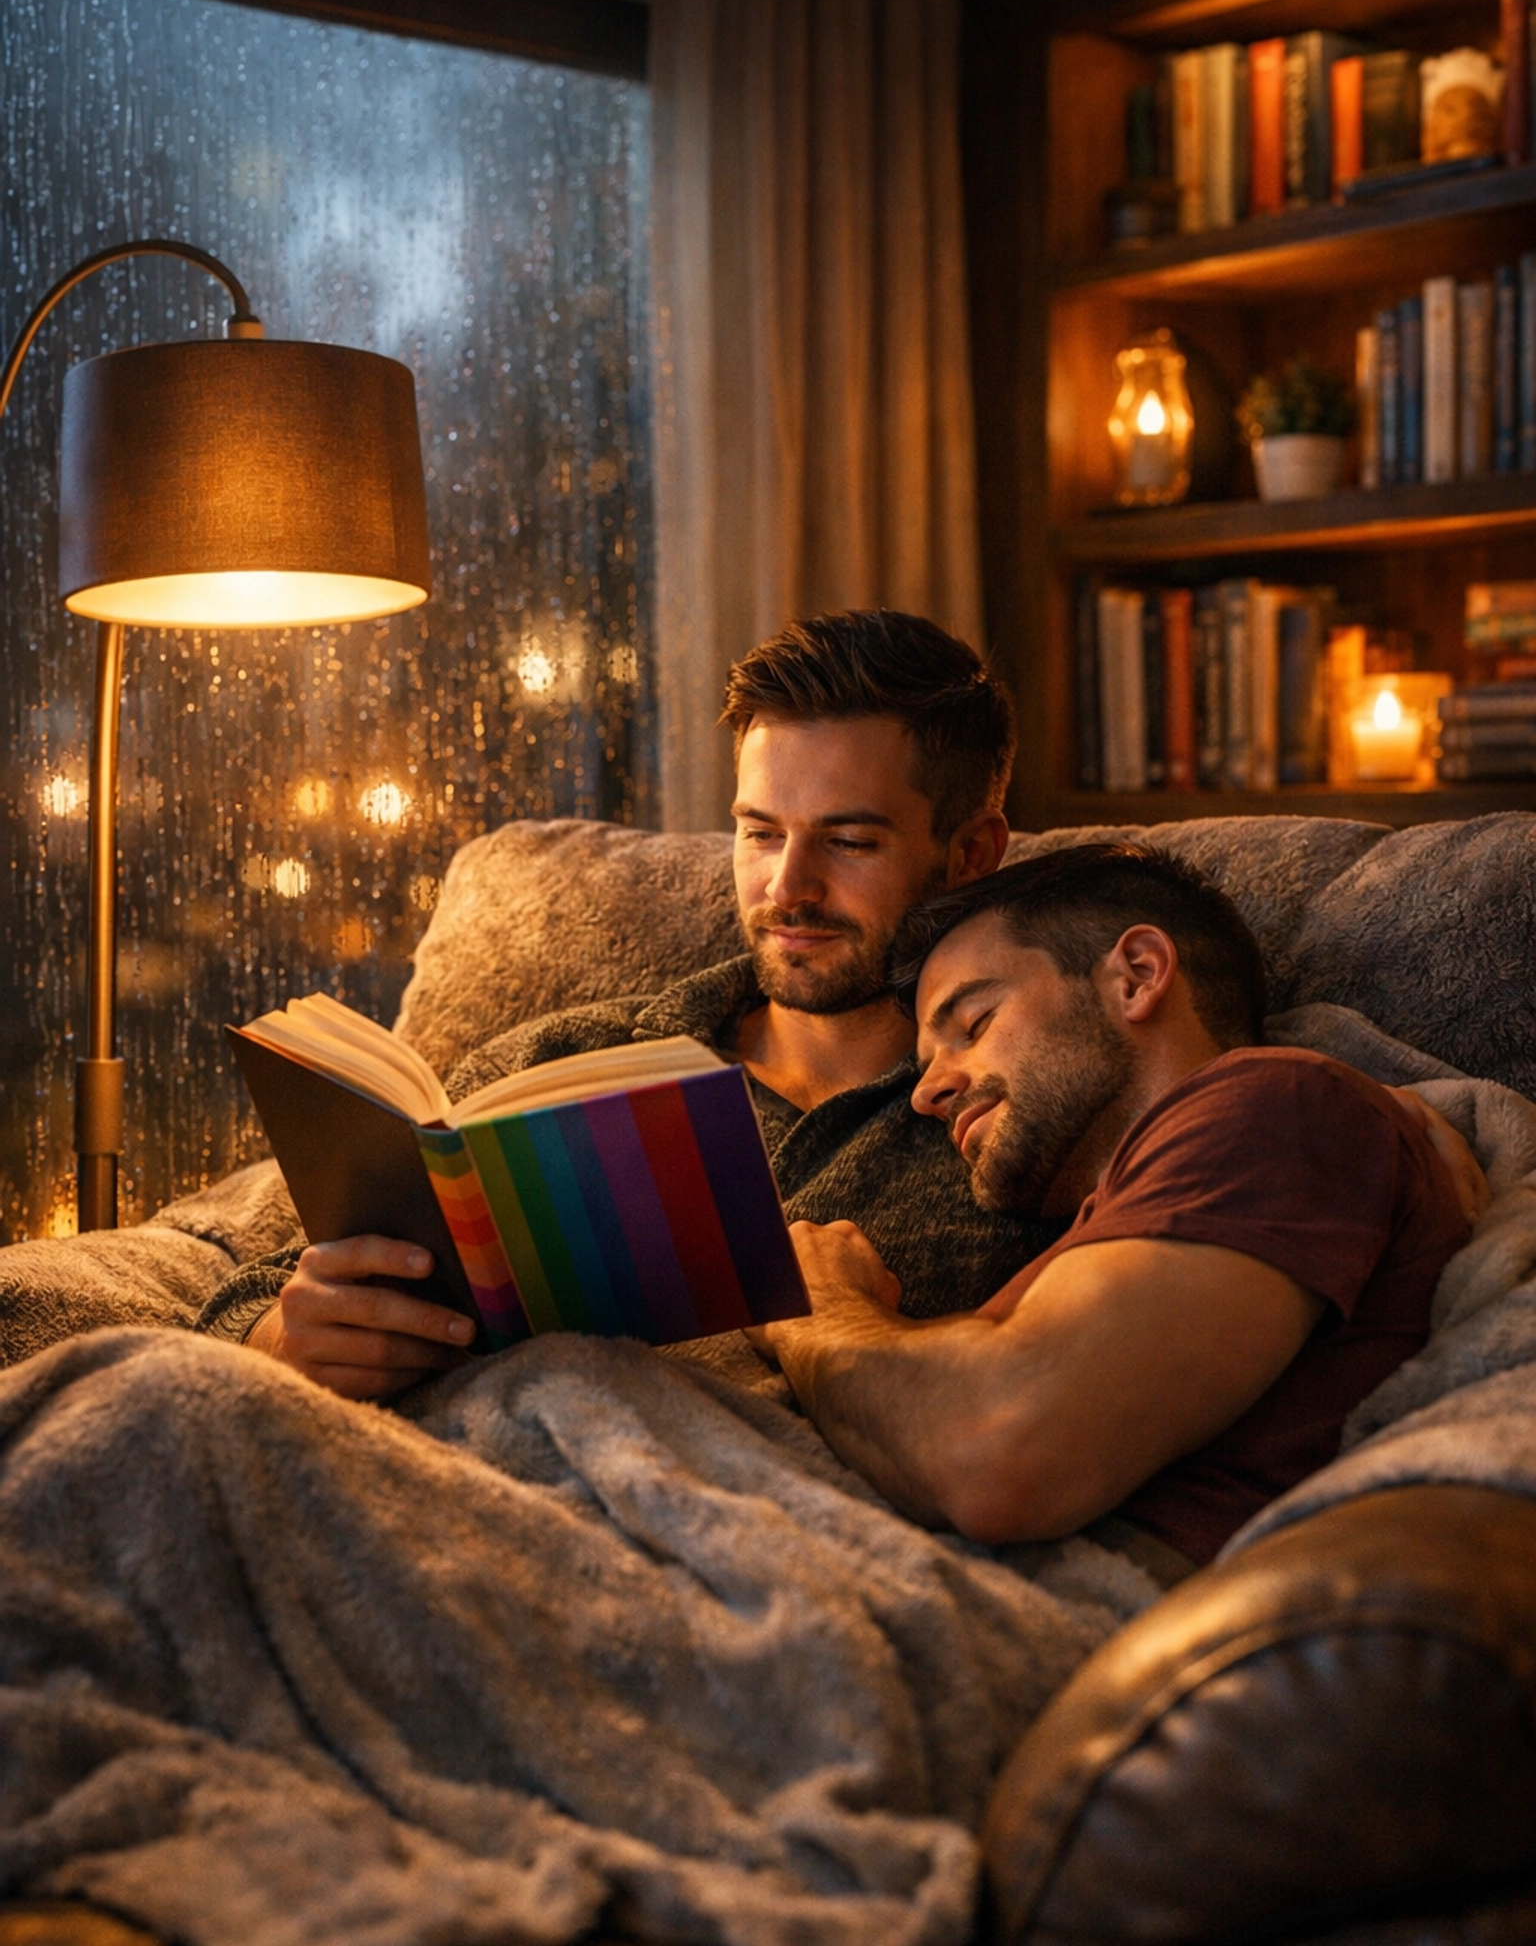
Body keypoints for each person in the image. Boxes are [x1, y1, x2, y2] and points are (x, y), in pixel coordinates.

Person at [200, 608, 1051, 1398]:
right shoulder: (558, 1064)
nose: (788, 888)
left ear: (973, 851)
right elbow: (247, 1292)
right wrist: (288, 1336)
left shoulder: (1010, 1125)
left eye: (850, 841)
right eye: (759, 834)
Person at [757, 844, 1472, 1582]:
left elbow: (997, 1451)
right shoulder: (1131, 1208)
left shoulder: (1280, 1103)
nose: (925, 1093)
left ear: (1136, 975)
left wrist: (812, 1301)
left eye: (973, 1024)